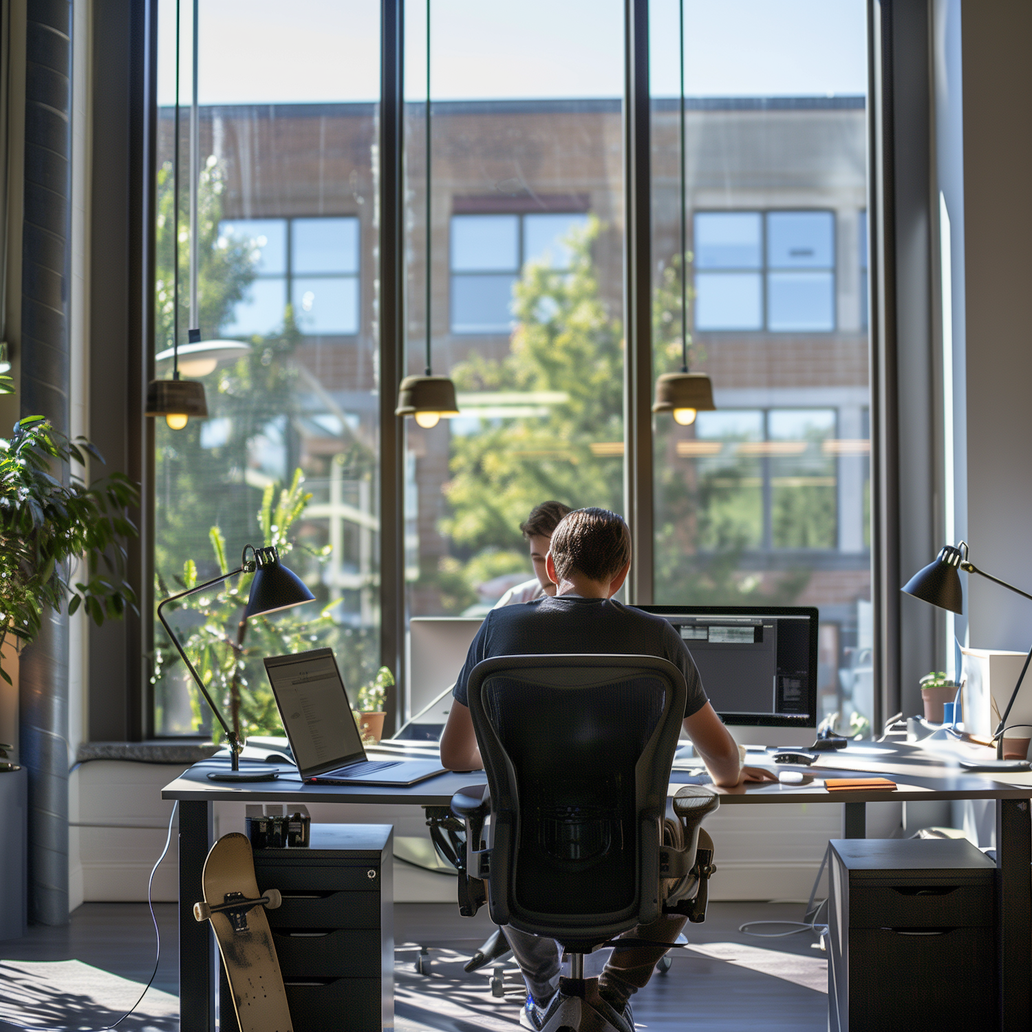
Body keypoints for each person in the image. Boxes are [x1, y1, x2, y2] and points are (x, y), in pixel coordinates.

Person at [440, 507, 775, 1032]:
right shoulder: (657, 637)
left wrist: (512, 757)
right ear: (621, 575)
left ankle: (544, 994)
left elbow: (455, 757)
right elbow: (722, 757)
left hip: (526, 867)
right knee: (695, 846)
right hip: (629, 863)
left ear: (551, 565)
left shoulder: (498, 627)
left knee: (498, 840)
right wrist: (731, 778)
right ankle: (614, 994)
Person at [494, 500, 572, 607]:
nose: (548, 571)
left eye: (556, 559)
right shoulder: (516, 600)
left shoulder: (600, 605)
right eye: (538, 560)